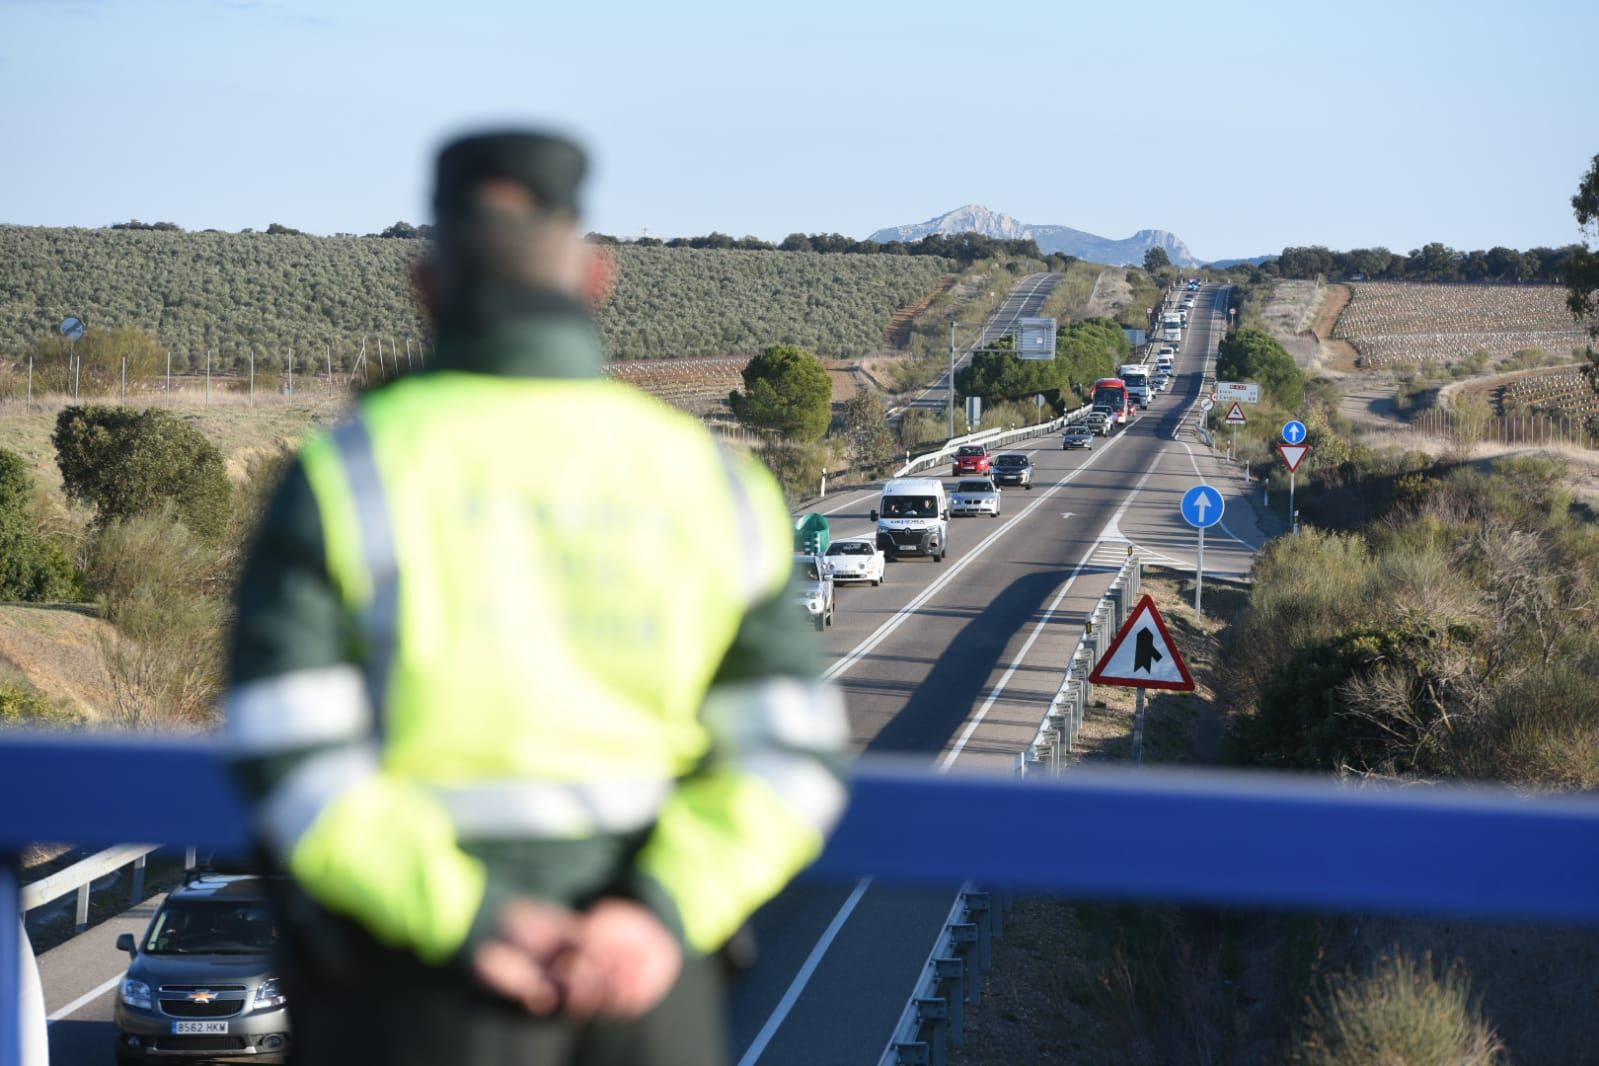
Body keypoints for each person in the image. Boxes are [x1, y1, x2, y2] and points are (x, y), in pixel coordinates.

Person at [223, 129, 848, 1066]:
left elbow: (284, 744)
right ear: (596, 279)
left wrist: (472, 921)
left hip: (411, 994)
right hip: (645, 995)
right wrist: (658, 916)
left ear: (426, 285)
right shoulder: (711, 484)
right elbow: (792, 758)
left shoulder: (347, 477)